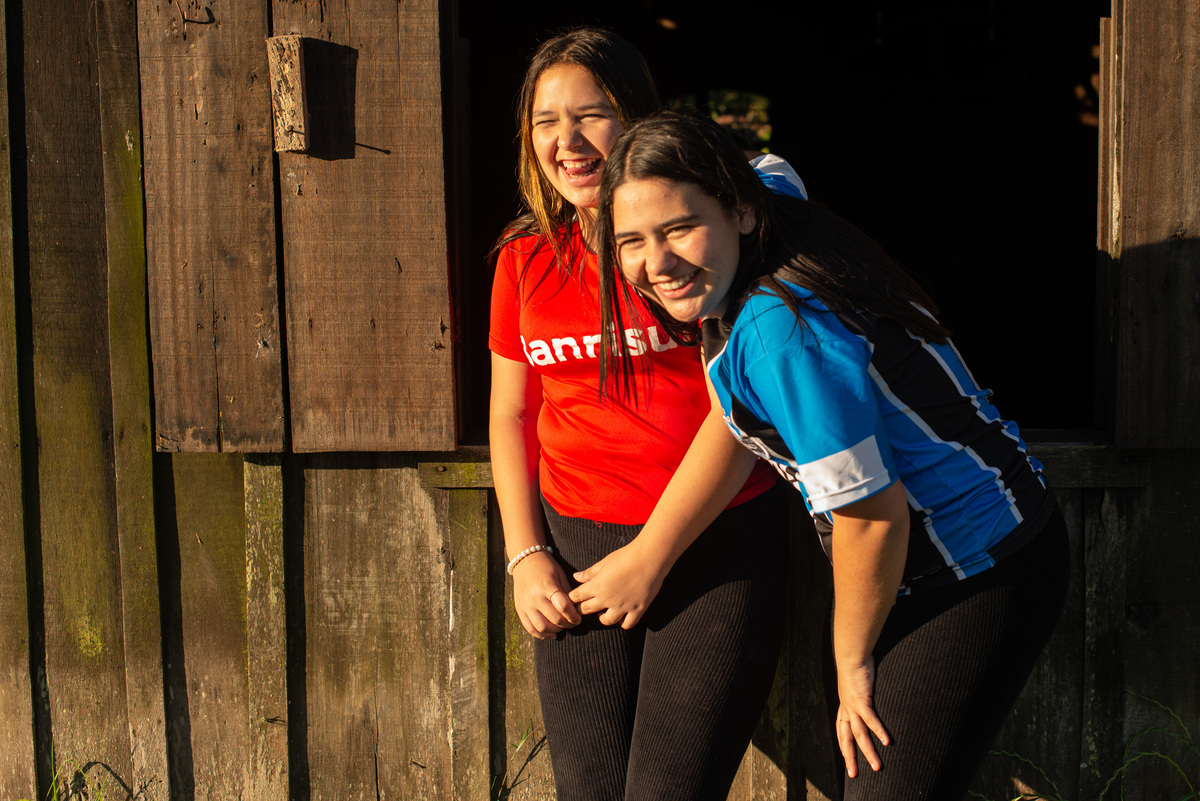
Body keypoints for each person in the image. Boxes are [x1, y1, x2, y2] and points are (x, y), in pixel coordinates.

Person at [588, 110, 1070, 800]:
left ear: (742, 215)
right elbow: (770, 165)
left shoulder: (782, 332)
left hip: (972, 566)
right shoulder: (771, 199)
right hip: (898, 569)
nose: (655, 263)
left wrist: (851, 658)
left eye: (678, 228)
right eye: (630, 239)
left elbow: (874, 515)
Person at [488, 28, 805, 801]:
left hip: (713, 539)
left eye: (592, 114)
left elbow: (742, 403)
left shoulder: (688, 244)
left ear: (638, 116)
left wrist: (653, 554)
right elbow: (511, 413)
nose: (566, 141)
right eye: (545, 120)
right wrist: (526, 556)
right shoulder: (523, 259)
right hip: (578, 549)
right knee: (588, 791)